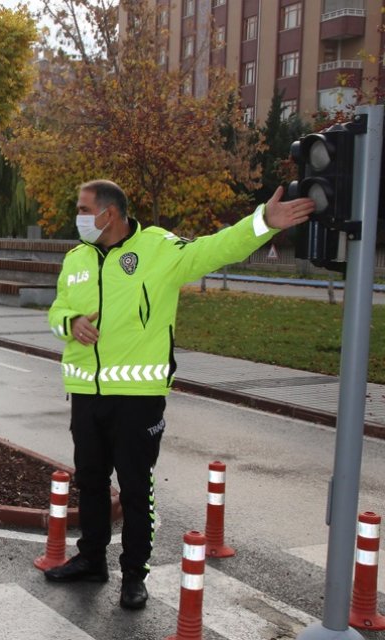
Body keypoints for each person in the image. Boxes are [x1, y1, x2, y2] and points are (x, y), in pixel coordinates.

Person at [42, 180, 314, 609]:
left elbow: (216, 248)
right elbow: (55, 309)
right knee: (91, 481)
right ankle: (91, 559)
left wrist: (263, 222)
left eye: (82, 208)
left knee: (134, 487)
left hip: (137, 395)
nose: (76, 216)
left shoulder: (158, 249)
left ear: (108, 213)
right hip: (85, 392)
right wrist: (70, 319)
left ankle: (135, 575)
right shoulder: (76, 258)